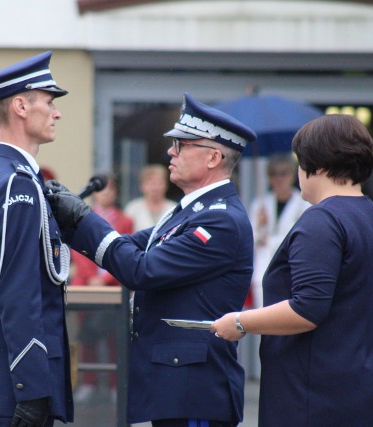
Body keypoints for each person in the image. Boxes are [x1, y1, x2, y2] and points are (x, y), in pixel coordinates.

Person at [47, 92, 257, 426]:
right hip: (177, 386)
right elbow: (129, 247)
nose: (170, 153)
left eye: (182, 145)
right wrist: (68, 222)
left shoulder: (220, 220)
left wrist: (84, 218)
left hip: (194, 392)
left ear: (214, 157)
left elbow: (141, 269)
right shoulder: (190, 211)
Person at [212, 114, 373, 426]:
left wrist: (239, 322)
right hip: (366, 387)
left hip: (316, 394)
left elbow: (307, 309)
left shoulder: (322, 221)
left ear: (316, 167)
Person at [0, 51, 74, 426]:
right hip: (13, 389)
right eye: (49, 102)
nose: (56, 112)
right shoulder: (16, 184)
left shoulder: (1, 176)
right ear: (21, 106)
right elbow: (16, 293)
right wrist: (31, 390)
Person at [70, 174, 133, 403]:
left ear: (116, 192)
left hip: (112, 287)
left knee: (114, 337)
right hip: (85, 287)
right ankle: (88, 383)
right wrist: (90, 277)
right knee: (86, 336)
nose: (106, 193)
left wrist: (105, 279)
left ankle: (117, 386)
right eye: (102, 189)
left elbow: (126, 250)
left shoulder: (125, 220)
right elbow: (78, 250)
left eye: (110, 189)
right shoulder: (82, 216)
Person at [248, 153, 310, 308]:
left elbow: (298, 239)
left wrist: (268, 240)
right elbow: (250, 239)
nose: (279, 179)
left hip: (291, 271)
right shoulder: (260, 204)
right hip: (263, 271)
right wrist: (260, 227)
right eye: (273, 174)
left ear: (292, 175)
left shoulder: (303, 204)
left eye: (283, 173)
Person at [124, 164, 177, 230]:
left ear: (166, 185)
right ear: (142, 186)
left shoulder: (174, 208)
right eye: (150, 183)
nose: (155, 188)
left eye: (159, 183)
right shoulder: (133, 208)